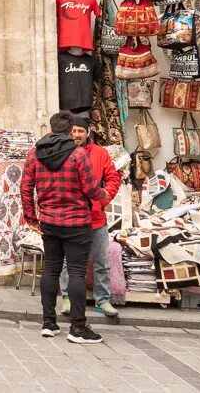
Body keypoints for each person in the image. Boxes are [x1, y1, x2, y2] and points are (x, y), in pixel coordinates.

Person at [20, 111, 109, 344]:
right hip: (77, 222)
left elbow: (25, 188)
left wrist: (32, 219)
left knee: (51, 269)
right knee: (77, 272)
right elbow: (91, 189)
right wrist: (104, 194)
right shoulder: (78, 155)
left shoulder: (35, 154)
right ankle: (78, 328)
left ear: (51, 129)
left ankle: (48, 323)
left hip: (49, 222)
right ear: (71, 131)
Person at [59, 114, 122, 319]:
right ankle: (67, 298)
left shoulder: (100, 153)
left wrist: (104, 198)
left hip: (96, 217)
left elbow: (113, 177)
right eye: (73, 131)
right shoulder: (62, 152)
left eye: (80, 131)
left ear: (88, 132)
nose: (76, 135)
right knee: (68, 261)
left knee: (101, 261)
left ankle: (102, 300)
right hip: (71, 218)